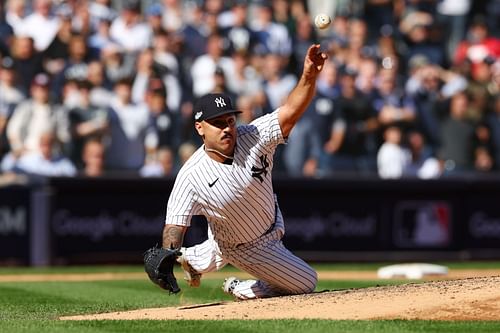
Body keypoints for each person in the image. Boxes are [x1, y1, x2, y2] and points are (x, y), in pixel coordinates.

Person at [160, 44, 326, 300]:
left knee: (219, 243)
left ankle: (192, 259)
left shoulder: (253, 135)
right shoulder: (191, 174)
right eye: (216, 123)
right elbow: (175, 225)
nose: (226, 128)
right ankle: (239, 287)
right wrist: (167, 255)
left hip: (261, 221)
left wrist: (308, 77)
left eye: (229, 120)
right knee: (305, 282)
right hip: (245, 247)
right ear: (199, 128)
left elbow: (291, 111)